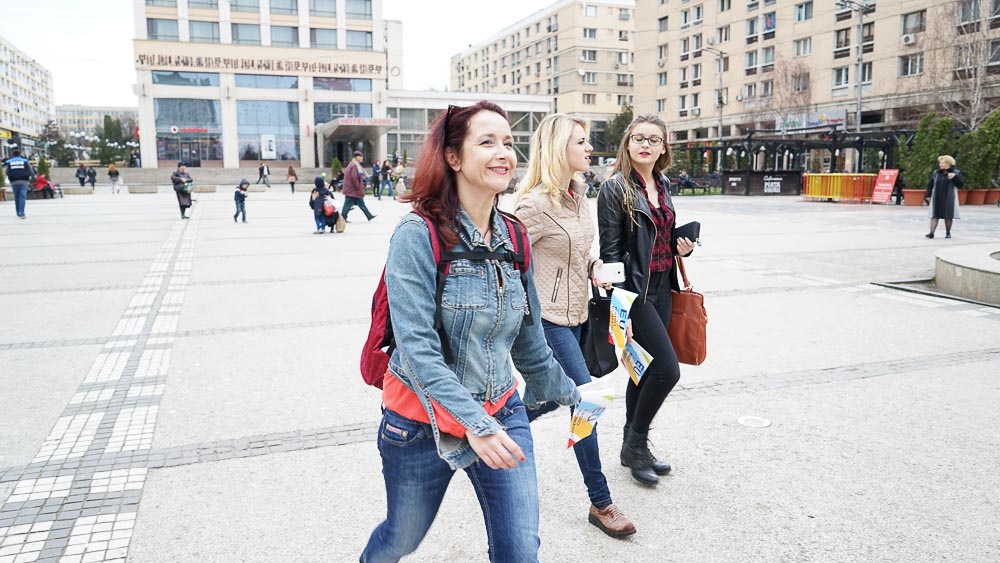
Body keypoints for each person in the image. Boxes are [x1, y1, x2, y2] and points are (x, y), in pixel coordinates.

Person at [361, 101, 580, 563]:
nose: (504, 153)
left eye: (508, 142)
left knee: (520, 550)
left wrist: (575, 393)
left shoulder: (514, 236)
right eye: (487, 142)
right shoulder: (417, 234)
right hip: (419, 422)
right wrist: (473, 424)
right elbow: (418, 350)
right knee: (401, 538)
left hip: (501, 409)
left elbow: (530, 340)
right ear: (453, 157)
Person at [513, 114, 636, 538]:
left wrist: (595, 267)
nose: (589, 148)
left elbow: (579, 253)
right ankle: (601, 502)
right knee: (586, 400)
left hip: (579, 315)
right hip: (547, 321)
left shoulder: (579, 196)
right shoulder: (532, 205)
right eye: (580, 142)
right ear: (557, 149)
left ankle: (495, 425)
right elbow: (509, 264)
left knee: (548, 398)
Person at [596, 114, 696, 486]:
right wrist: (620, 308)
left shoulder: (663, 183)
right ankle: (635, 445)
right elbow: (610, 253)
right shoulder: (615, 188)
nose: (645, 145)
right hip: (635, 291)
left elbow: (660, 237)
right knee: (667, 371)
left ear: (663, 147)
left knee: (645, 369)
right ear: (627, 143)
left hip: (663, 285)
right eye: (639, 138)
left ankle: (632, 446)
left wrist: (682, 247)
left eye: (654, 139)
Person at [924, 155, 963, 239]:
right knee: (934, 214)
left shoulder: (956, 172)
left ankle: (948, 232)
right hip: (937, 195)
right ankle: (931, 232)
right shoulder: (936, 173)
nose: (940, 165)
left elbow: (960, 184)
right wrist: (928, 195)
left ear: (948, 164)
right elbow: (930, 184)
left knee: (948, 215)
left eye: (942, 163)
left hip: (949, 196)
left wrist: (955, 177)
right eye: (940, 163)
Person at [341, 150, 376, 222]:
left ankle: (369, 216)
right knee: (348, 204)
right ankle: (342, 217)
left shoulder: (354, 164)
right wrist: (357, 186)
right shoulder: (354, 165)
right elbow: (354, 178)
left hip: (352, 189)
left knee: (360, 203)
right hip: (352, 189)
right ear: (357, 157)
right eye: (361, 157)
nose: (362, 158)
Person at [4, 150, 33, 219]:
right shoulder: (25, 161)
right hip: (24, 181)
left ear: (13, 155)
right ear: (20, 154)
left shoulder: (9, 162)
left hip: (13, 181)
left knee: (16, 197)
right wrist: (30, 177)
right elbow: (31, 171)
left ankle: (18, 212)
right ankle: (21, 213)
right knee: (22, 197)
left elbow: (6, 172)